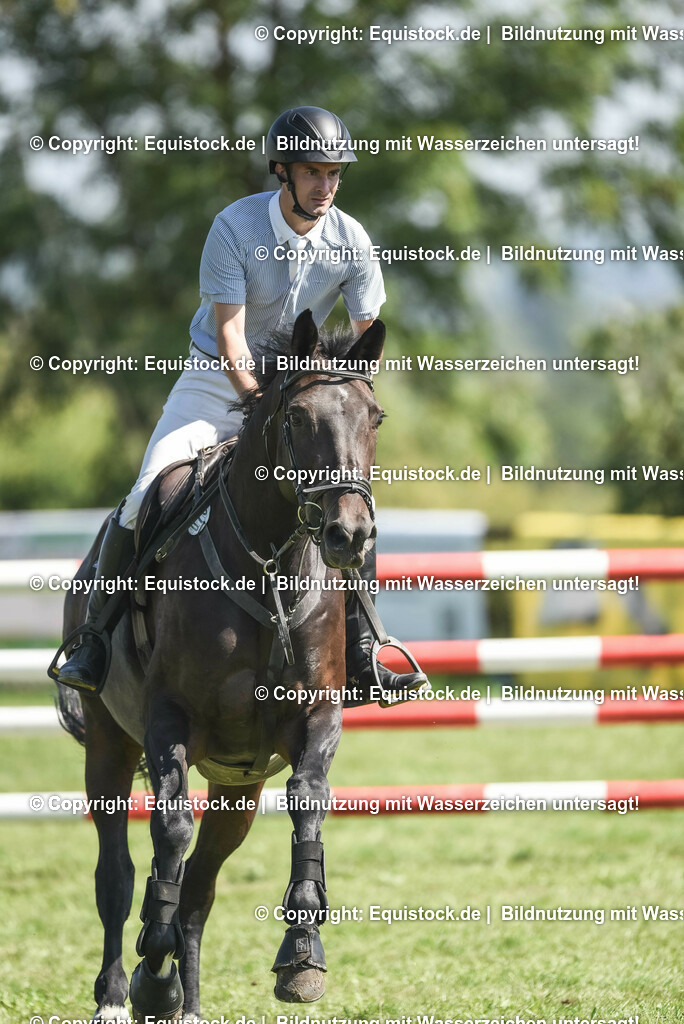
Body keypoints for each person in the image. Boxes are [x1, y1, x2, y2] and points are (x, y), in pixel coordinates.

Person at [58, 105, 427, 705]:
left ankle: (363, 653)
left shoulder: (352, 240)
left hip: (301, 396)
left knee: (350, 503)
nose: (326, 185)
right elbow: (231, 338)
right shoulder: (235, 227)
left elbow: (367, 340)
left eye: (334, 173)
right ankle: (94, 639)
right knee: (144, 494)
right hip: (214, 384)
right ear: (282, 171)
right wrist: (262, 406)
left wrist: (347, 403)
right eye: (312, 172)